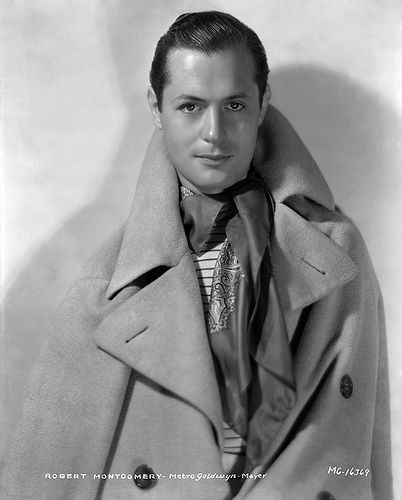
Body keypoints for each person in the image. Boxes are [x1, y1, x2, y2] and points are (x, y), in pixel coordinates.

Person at [0, 10, 393, 500]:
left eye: (234, 105)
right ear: (156, 107)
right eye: (190, 106)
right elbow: (48, 469)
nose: (214, 132)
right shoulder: (108, 284)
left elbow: (366, 443)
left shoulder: (335, 251)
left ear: (263, 104)